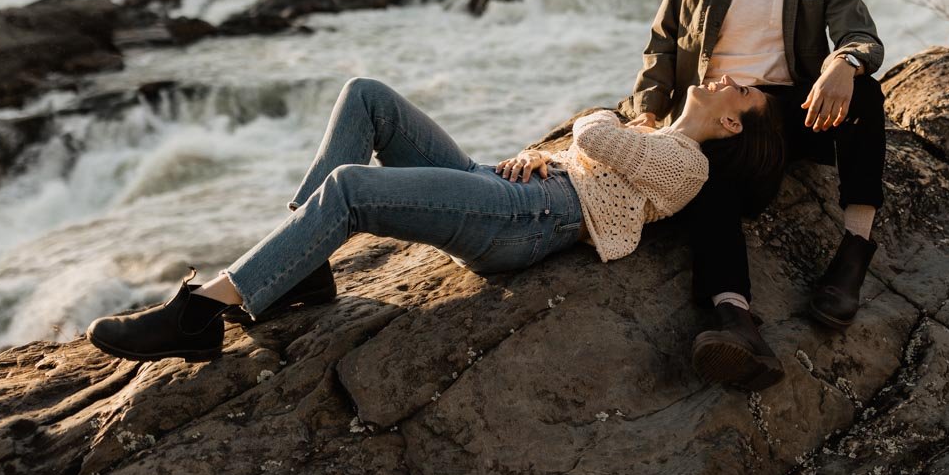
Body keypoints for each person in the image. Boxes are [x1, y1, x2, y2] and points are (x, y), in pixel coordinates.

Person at [86, 74, 784, 363]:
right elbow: (592, 157)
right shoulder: (660, 140)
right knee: (367, 98)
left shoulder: (688, 164)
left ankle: (204, 313)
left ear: (731, 121)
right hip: (514, 188)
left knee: (353, 188)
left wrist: (605, 121)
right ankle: (304, 265)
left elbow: (594, 138)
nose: (727, 75)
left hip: (528, 221)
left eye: (741, 88)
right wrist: (542, 157)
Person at [627, 0, 887, 390]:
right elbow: (663, 42)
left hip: (789, 113)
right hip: (715, 105)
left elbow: (862, 37)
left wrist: (843, 64)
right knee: (706, 174)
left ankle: (855, 249)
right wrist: (647, 115)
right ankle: (735, 318)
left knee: (865, 91)